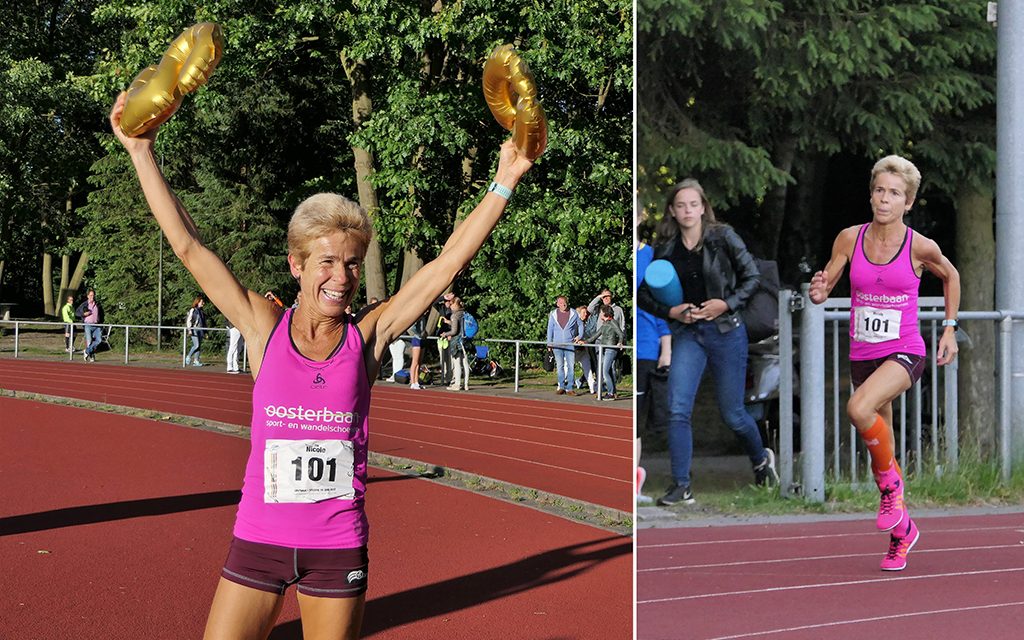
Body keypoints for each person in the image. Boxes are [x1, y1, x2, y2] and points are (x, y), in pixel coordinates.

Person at [110, 90, 532, 638]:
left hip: (335, 549)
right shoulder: (264, 327)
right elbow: (190, 248)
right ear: (297, 265)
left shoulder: (369, 337)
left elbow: (447, 264)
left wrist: (508, 177)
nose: (341, 277)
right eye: (327, 262)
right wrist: (141, 152)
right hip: (258, 541)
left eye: (352, 264)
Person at [809, 155, 959, 571]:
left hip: (904, 350)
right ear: (871, 193)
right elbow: (826, 284)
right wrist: (818, 293)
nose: (884, 199)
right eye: (879, 190)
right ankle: (902, 532)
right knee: (884, 447)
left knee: (858, 408)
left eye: (894, 193)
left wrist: (949, 329)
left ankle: (891, 490)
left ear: (908, 202)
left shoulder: (920, 246)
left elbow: (951, 276)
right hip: (863, 354)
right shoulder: (849, 238)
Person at [637, 179, 778, 507]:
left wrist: (726, 303)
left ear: (703, 208)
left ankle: (761, 461)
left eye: (693, 204)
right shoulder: (667, 247)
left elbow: (752, 277)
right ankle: (681, 485)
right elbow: (644, 294)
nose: (687, 211)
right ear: (672, 210)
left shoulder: (723, 237)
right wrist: (673, 310)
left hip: (726, 331)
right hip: (689, 335)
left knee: (733, 414)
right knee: (678, 409)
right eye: (681, 205)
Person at [636, 239, 672, 435]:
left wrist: (666, 349)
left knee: (635, 427)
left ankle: (634, 466)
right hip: (630, 343)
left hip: (646, 347)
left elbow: (661, 305)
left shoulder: (652, 256)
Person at [579, 305, 623, 399]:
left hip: (610, 349)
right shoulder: (604, 324)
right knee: (608, 371)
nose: (600, 314)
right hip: (604, 349)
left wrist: (619, 342)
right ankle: (613, 392)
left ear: (605, 313)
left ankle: (610, 393)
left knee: (605, 371)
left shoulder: (613, 322)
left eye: (601, 312)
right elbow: (595, 336)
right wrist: (585, 341)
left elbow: (620, 333)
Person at [546, 296, 584, 395]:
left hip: (569, 344)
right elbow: (550, 329)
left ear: (567, 303)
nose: (563, 304)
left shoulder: (573, 313)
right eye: (561, 303)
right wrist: (549, 343)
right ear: (557, 304)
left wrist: (579, 336)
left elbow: (580, 324)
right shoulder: (553, 314)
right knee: (560, 366)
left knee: (571, 366)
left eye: (564, 302)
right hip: (557, 344)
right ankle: (561, 386)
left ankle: (570, 388)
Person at [441, 296, 470, 391]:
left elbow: (454, 331)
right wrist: (449, 322)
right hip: (465, 340)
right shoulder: (464, 313)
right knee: (465, 363)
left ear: (454, 304)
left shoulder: (454, 315)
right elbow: (459, 326)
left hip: (457, 342)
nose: (450, 306)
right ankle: (466, 384)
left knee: (457, 363)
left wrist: (445, 334)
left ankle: (457, 384)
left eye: (451, 303)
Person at [574, 305, 597, 394]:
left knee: (588, 368)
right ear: (578, 313)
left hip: (583, 350)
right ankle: (563, 386)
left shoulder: (585, 323)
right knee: (567, 368)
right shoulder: (574, 323)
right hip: (573, 350)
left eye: (586, 313)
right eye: (584, 313)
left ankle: (592, 387)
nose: (586, 314)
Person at [76, 289, 103, 362]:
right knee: (89, 341)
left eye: (93, 295)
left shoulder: (97, 304)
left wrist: (101, 323)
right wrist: (83, 314)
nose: (92, 297)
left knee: (99, 340)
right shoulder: (84, 304)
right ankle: (91, 356)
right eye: (91, 295)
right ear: (88, 296)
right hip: (88, 325)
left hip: (97, 325)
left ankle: (87, 351)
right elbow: (77, 312)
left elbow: (101, 314)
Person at [407, 311, 428, 390]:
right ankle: (412, 382)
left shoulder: (423, 317)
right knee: (415, 362)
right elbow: (412, 327)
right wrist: (417, 334)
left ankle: (416, 382)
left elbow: (423, 328)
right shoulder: (418, 317)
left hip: (422, 339)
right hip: (416, 339)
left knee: (419, 362)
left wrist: (424, 333)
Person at [186, 296, 207, 367]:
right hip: (194, 329)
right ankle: (188, 356)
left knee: (199, 346)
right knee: (196, 345)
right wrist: (189, 330)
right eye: (202, 302)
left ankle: (196, 361)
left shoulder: (202, 311)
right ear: (197, 302)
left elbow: (204, 322)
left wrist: (206, 332)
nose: (203, 303)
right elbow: (189, 320)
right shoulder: (193, 310)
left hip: (201, 330)